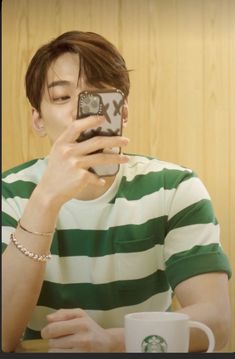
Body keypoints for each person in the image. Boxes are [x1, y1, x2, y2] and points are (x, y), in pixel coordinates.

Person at [2, 30, 232, 353]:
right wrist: (45, 200)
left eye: (96, 97)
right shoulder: (8, 194)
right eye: (62, 97)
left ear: (122, 112)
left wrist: (111, 341)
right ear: (37, 120)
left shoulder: (176, 188)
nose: (81, 114)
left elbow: (216, 323)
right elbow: (3, 337)